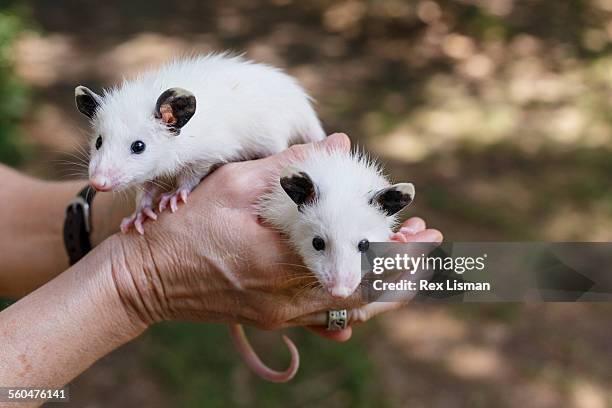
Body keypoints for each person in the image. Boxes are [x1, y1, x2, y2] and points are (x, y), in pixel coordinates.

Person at [0, 133, 442, 389]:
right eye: (320, 246)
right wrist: (139, 281)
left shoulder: (357, 206)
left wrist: (131, 217)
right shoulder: (303, 207)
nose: (340, 284)